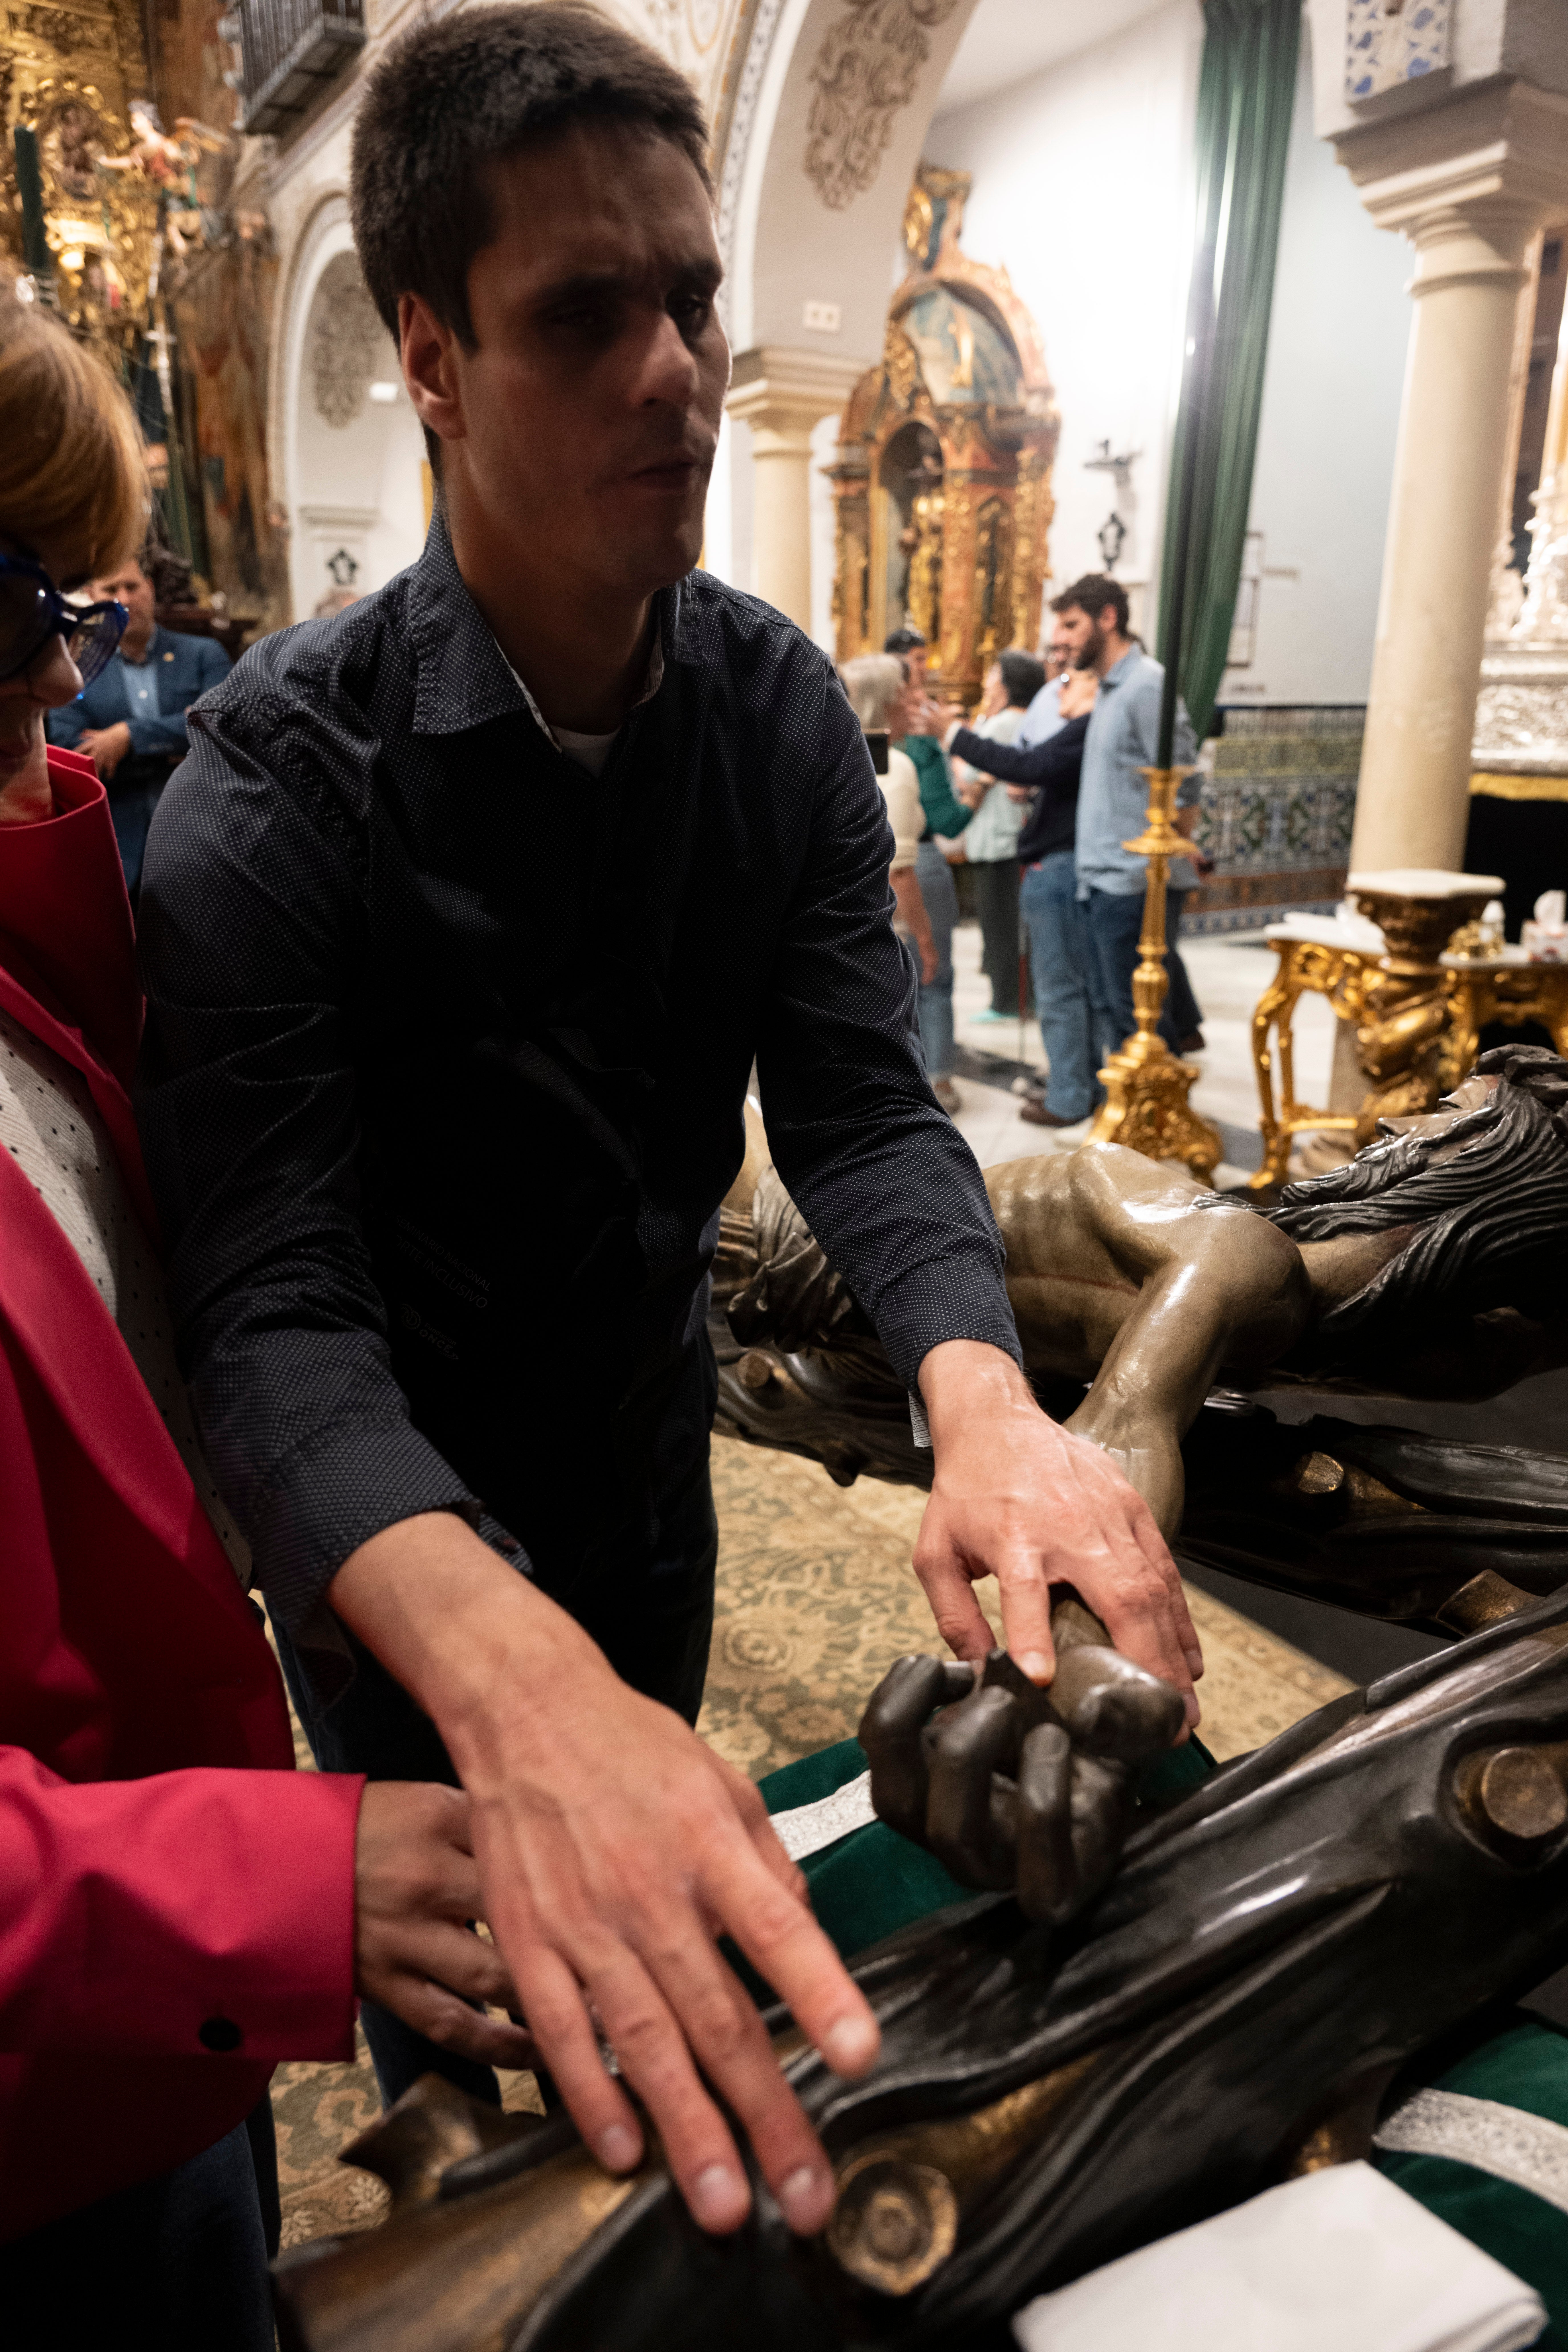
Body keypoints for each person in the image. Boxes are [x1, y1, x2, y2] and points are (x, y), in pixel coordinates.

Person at [136, 3, 1201, 2248]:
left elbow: (859, 1104)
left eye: (695, 301)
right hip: (394, 1538)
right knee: (489, 2055)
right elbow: (273, 1310)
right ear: (431, 359)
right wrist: (501, 1669)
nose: (676, 373)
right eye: (581, 316)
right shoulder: (273, 782)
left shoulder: (775, 706)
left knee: (666, 1937)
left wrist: (982, 1395)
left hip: (644, 1454)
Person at [0, 293, 532, 2349]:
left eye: (71, 608)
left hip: (157, 2027)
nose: (67, 672)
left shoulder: (47, 946)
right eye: (21, 608)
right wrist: (282, 1885)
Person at [947, 575, 1204, 1070]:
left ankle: (1154, 1111)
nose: (1059, 639)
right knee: (1110, 1008)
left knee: (1138, 1020)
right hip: (1099, 873)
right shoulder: (1107, 690)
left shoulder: (1146, 685)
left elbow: (1184, 776)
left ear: (1107, 619)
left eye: (1070, 625)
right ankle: (1125, 1110)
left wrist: (1176, 847)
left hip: (1132, 879)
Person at [46, 546, 230, 895]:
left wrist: (128, 737)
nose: (125, 600)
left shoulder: (205, 655)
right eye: (112, 590)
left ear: (151, 588)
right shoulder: (75, 670)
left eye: (132, 587)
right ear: (92, 597)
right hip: (116, 850)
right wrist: (176, 748)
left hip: (203, 836)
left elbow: (222, 727)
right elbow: (71, 750)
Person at [884, 623, 971, 1110]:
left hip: (868, 865)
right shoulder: (916, 745)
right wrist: (977, 793)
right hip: (917, 860)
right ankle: (938, 1079)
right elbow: (946, 819)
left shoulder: (849, 735)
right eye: (918, 661)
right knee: (932, 974)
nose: (924, 669)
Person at [949, 648, 1044, 1024]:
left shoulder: (1002, 724)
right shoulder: (1024, 719)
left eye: (993, 675)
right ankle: (1018, 998)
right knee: (1011, 923)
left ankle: (1007, 1002)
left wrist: (957, 755)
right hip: (1011, 835)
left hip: (999, 841)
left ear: (1007, 683)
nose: (987, 682)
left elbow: (969, 778)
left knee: (1000, 925)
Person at [839, 652, 937, 997]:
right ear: (884, 703)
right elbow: (899, 871)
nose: (912, 701)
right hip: (886, 930)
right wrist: (925, 938)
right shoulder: (895, 766)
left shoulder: (841, 757)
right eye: (903, 693)